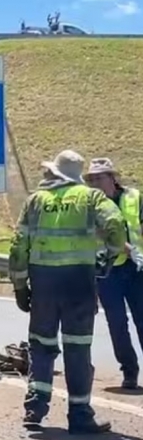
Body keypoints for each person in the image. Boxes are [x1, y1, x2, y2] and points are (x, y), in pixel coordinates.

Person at [9, 149, 126, 433]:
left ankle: (35, 409)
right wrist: (108, 256)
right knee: (77, 347)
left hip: (44, 284)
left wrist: (20, 286)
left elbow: (18, 247)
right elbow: (115, 224)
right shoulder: (91, 197)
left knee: (41, 345)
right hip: (79, 283)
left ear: (54, 173)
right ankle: (80, 414)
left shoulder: (35, 201)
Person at [85, 157, 143, 389]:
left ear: (112, 177)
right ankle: (129, 371)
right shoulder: (90, 204)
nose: (95, 182)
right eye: (92, 179)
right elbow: (104, 233)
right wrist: (131, 251)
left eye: (100, 177)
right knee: (117, 323)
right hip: (107, 270)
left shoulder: (134, 198)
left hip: (137, 270)